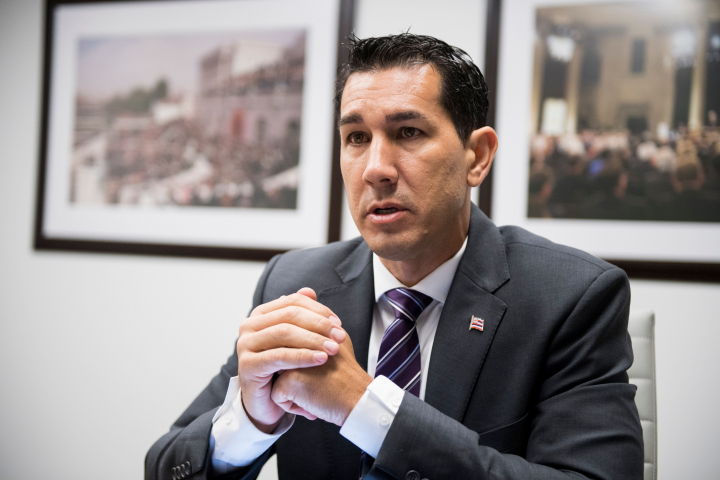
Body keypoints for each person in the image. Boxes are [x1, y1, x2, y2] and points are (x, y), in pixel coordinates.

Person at [146, 33, 643, 480]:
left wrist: (365, 407)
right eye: (357, 138)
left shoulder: (570, 297)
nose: (376, 169)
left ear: (477, 156)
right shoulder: (295, 283)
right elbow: (165, 466)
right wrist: (251, 419)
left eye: (408, 132)